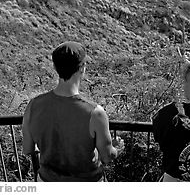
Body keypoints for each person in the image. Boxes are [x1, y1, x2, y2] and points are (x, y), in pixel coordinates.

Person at [22, 41, 124, 181]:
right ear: (82, 68)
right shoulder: (95, 113)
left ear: (55, 67)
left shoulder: (33, 106)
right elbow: (106, 157)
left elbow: (28, 149)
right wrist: (116, 148)